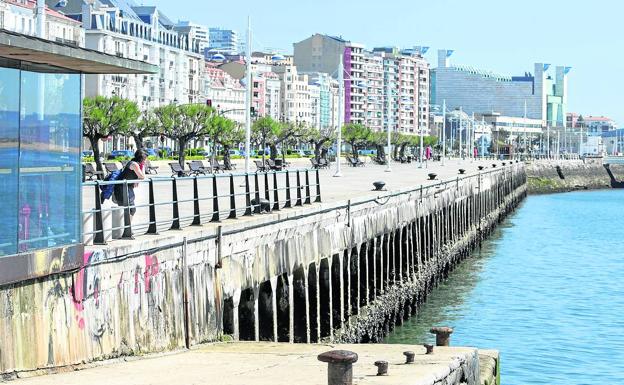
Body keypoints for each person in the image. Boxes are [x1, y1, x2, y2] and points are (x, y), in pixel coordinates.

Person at [114, 149, 146, 219]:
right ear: (141, 158)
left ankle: (126, 228)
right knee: (130, 210)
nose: (145, 161)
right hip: (122, 189)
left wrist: (137, 180)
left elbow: (141, 176)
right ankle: (126, 228)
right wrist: (143, 166)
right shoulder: (134, 164)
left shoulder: (134, 163)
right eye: (144, 159)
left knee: (129, 210)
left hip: (126, 188)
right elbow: (142, 176)